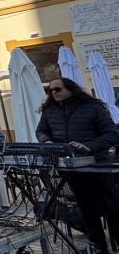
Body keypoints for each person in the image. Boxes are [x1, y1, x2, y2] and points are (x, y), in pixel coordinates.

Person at [37, 77, 119, 254]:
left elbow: (112, 135)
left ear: (70, 89)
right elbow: (41, 131)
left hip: (96, 165)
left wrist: (89, 146)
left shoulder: (93, 108)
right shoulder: (49, 111)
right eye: (50, 90)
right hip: (71, 166)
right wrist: (48, 141)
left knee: (110, 207)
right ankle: (97, 245)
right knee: (86, 208)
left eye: (57, 89)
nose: (53, 93)